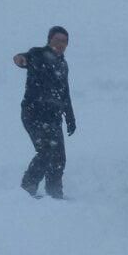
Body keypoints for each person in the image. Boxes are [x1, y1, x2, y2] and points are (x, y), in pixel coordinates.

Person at [13, 26, 76, 199]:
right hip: (34, 113)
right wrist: (19, 59)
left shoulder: (63, 64)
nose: (61, 44)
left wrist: (70, 117)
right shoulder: (38, 54)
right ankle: (27, 190)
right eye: (57, 40)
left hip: (53, 116)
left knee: (59, 158)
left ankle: (54, 194)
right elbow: (24, 58)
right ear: (49, 40)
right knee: (46, 152)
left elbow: (65, 93)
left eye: (64, 41)